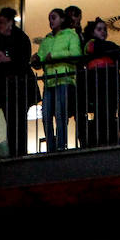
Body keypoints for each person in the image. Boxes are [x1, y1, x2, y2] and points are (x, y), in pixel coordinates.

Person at [0, 7, 40, 157]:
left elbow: (24, 59)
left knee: (19, 121)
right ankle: (14, 152)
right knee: (11, 121)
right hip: (7, 86)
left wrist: (7, 59)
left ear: (10, 22)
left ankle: (20, 152)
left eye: (2, 22)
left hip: (20, 85)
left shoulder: (21, 38)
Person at [35, 8, 82, 151]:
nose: (51, 21)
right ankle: (51, 146)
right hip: (50, 81)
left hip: (64, 79)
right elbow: (41, 56)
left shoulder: (71, 35)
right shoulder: (47, 39)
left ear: (62, 19)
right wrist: (36, 59)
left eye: (53, 17)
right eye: (49, 18)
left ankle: (61, 145)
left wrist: (54, 55)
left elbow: (76, 54)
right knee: (46, 115)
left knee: (61, 114)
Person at [82, 18, 120, 146]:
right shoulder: (90, 45)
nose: (103, 32)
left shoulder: (95, 47)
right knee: (103, 115)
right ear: (92, 32)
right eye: (99, 29)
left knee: (109, 114)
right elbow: (119, 56)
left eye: (104, 29)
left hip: (107, 86)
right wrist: (115, 50)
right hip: (99, 86)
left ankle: (107, 140)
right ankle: (104, 141)